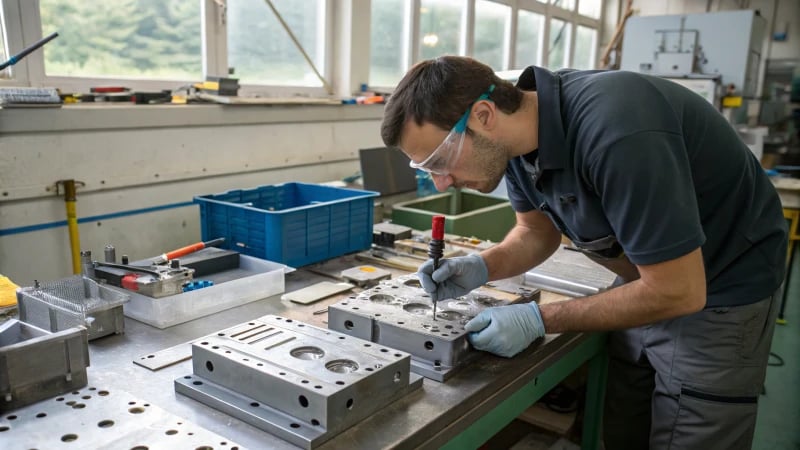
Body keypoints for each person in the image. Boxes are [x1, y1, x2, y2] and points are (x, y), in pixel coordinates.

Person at [380, 56, 787, 450]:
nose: (440, 182)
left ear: (484, 115)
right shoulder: (515, 143)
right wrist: (481, 266)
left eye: (440, 160)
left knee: (691, 431)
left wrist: (539, 319)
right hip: (644, 276)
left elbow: (679, 291)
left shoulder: (618, 130)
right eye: (427, 168)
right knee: (625, 422)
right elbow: (535, 232)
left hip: (723, 284)